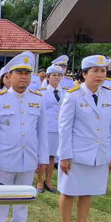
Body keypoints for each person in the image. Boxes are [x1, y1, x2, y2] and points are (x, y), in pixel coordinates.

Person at [0, 51, 48, 222]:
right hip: (4, 158)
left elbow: (42, 132)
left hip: (28, 158)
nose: (24, 77)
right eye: (19, 72)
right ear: (9, 76)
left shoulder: (38, 99)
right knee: (2, 197)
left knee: (23, 197)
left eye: (27, 73)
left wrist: (43, 158)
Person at [57, 55, 111, 222]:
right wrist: (65, 155)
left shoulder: (110, 94)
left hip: (99, 153)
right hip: (77, 154)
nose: (100, 75)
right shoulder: (73, 95)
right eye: (95, 71)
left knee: (88, 192)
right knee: (69, 192)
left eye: (103, 71)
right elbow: (65, 127)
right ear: (84, 74)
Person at [38, 64, 64, 193]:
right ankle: (39, 180)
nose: (56, 78)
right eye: (54, 75)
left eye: (59, 75)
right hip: (46, 128)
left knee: (52, 156)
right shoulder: (41, 92)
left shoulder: (65, 93)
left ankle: (48, 180)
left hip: (58, 129)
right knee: (42, 155)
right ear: (48, 77)